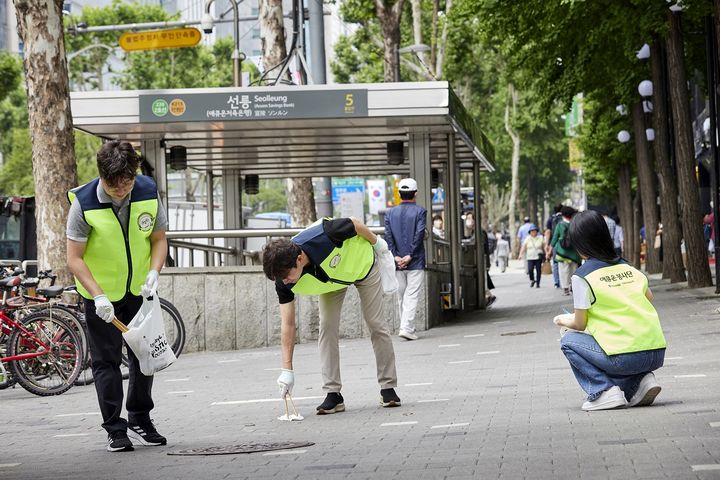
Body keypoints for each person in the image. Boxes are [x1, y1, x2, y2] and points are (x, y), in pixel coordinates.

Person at [66, 140, 169, 452]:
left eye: (128, 181)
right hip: (101, 297)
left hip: (139, 290)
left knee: (144, 356)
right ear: (102, 176)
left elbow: (159, 239)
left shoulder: (148, 192)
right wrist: (98, 297)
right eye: (115, 183)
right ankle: (115, 428)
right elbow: (74, 258)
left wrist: (154, 272)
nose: (123, 188)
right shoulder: (83, 204)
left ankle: (140, 417)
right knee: (106, 362)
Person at [262, 217, 400, 415]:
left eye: (287, 275)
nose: (285, 281)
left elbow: (354, 223)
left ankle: (388, 387)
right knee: (327, 327)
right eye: (280, 278)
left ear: (299, 259)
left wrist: (377, 244)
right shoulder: (283, 280)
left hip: (363, 266)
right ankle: (333, 394)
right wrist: (287, 370)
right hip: (331, 282)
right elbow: (288, 324)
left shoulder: (326, 233)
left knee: (375, 323)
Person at [553, 210, 666, 411]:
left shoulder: (582, 276)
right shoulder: (628, 267)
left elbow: (580, 324)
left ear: (579, 243)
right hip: (655, 352)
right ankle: (641, 381)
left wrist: (562, 320)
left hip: (625, 356)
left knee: (568, 341)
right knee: (615, 347)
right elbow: (649, 297)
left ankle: (604, 391)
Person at [384, 178, 426, 341]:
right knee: (411, 295)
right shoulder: (420, 211)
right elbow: (419, 233)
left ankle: (406, 326)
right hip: (415, 261)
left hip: (396, 262)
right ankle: (406, 327)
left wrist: (395, 256)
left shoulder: (390, 213)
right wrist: (410, 256)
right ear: (415, 193)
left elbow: (388, 236)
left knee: (401, 295)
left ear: (400, 194)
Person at [549, 206, 580, 296]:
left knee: (563, 271)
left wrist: (550, 248)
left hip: (562, 252)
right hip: (574, 252)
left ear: (563, 214)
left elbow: (554, 237)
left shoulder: (560, 224)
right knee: (574, 270)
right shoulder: (575, 224)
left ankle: (565, 289)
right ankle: (573, 287)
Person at [545, 205, 563, 289]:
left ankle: (557, 282)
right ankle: (567, 282)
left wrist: (547, 245)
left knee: (555, 263)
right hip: (566, 244)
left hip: (555, 243)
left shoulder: (551, 219)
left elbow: (548, 232)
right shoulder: (565, 217)